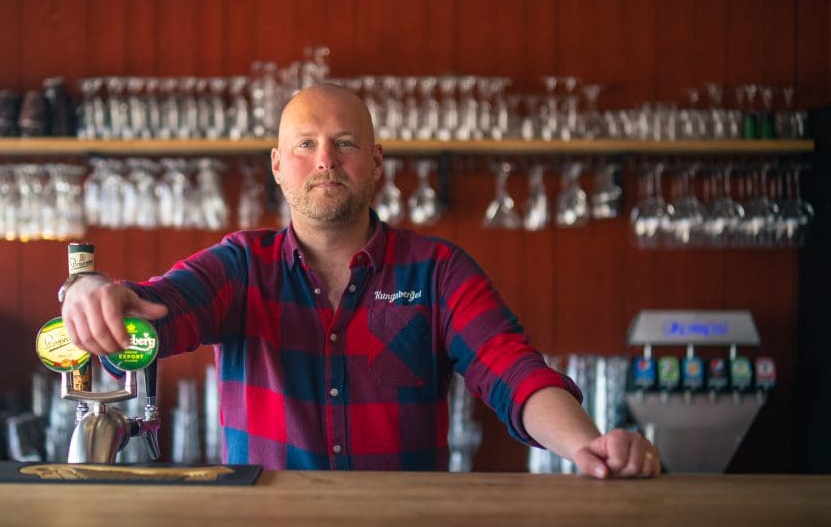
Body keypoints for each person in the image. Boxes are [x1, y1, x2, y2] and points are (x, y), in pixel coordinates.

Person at [61, 83, 660, 479]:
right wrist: (92, 295)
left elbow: (513, 370)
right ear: (278, 167)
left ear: (375, 163)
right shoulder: (241, 266)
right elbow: (154, 310)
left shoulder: (438, 270)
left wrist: (585, 445)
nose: (325, 159)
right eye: (306, 145)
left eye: (344, 143)